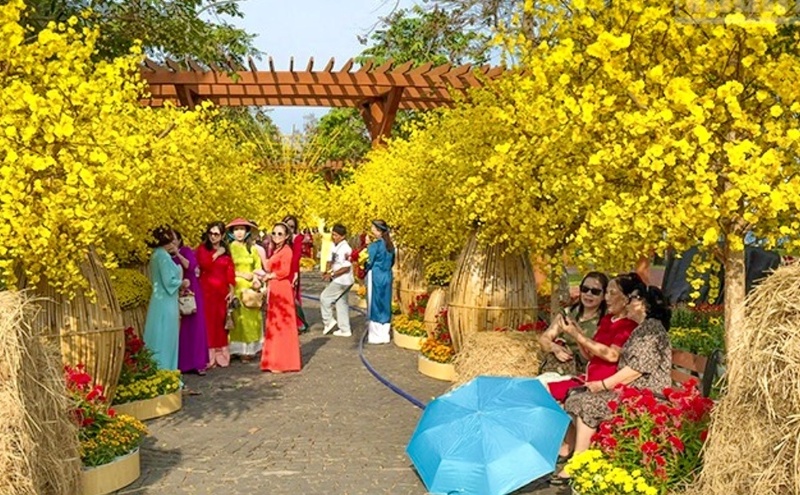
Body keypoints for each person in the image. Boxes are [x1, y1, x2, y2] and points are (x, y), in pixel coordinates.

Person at [551, 283, 672, 485]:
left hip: (648, 394)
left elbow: (636, 369)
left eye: (632, 300)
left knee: (589, 403)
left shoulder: (651, 330)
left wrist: (604, 385)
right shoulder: (642, 329)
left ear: (644, 305)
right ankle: (578, 457)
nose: (628, 303)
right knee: (577, 397)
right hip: (632, 390)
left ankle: (580, 462)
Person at [544, 272, 641, 402]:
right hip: (586, 378)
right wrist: (577, 335)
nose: (607, 298)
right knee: (539, 386)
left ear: (625, 299)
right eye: (585, 289)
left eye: (610, 293)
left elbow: (612, 355)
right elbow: (590, 356)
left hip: (600, 385)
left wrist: (577, 335)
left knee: (544, 391)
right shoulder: (607, 320)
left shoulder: (627, 325)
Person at [538, 272, 609, 376]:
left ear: (604, 296)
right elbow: (544, 338)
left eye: (595, 291)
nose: (588, 294)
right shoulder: (568, 314)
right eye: (585, 289)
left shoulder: (606, 320)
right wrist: (555, 348)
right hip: (561, 364)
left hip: (586, 370)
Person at [144, 226, 189, 371]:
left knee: (159, 334)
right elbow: (168, 281)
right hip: (166, 301)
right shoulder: (162, 255)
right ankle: (165, 370)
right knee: (166, 337)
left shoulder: (156, 254)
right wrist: (182, 283)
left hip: (161, 300)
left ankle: (158, 369)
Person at [261, 222, 301, 373]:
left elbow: (285, 271)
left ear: (287, 236)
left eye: (280, 234)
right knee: (274, 322)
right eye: (274, 233)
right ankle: (273, 360)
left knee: (282, 323)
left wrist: (270, 275)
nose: (277, 236)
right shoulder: (276, 250)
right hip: (275, 287)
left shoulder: (287, 251)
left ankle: (283, 361)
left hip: (282, 288)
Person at [197, 221, 235, 369]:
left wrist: (232, 289)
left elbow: (230, 270)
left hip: (221, 293)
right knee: (208, 323)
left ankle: (222, 355)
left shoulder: (226, 251)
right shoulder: (202, 249)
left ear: (222, 235)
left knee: (220, 323)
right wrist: (216, 254)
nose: (213, 237)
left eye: (216, 234)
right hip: (206, 291)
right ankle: (209, 356)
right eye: (211, 233)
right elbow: (204, 264)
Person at [227, 217, 263, 363]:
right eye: (236, 229)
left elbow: (258, 267)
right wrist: (240, 274)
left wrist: (255, 279)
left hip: (249, 288)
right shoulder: (229, 248)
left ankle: (249, 350)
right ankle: (236, 349)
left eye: (242, 229)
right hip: (234, 286)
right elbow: (226, 268)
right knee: (237, 318)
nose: (239, 233)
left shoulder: (252, 249)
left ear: (247, 231)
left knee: (251, 318)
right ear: (231, 232)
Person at [172, 230, 209, 375]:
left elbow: (191, 266)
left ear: (180, 240)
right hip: (177, 291)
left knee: (196, 326)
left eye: (175, 239)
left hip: (192, 290)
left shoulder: (185, 251)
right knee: (181, 329)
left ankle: (199, 363)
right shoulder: (166, 256)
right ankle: (183, 363)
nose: (173, 243)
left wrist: (178, 254)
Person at [320, 224, 354, 337]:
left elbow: (346, 267)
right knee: (341, 303)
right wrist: (326, 271)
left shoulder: (346, 248)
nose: (334, 237)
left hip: (343, 280)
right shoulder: (334, 246)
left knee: (325, 298)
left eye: (336, 235)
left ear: (343, 236)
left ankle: (328, 321)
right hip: (338, 279)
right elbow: (330, 260)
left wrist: (332, 274)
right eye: (333, 234)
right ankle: (345, 329)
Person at [365, 219, 395, 344]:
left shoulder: (375, 246)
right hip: (387, 275)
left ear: (378, 231)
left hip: (376, 276)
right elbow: (393, 261)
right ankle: (385, 333)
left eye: (373, 228)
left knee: (375, 302)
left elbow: (368, 262)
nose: (371, 230)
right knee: (385, 302)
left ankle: (376, 335)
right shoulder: (390, 246)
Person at [283, 215, 310, 333]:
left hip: (292, 271)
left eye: (292, 226)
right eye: (287, 226)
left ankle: (297, 322)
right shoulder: (280, 237)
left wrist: (294, 274)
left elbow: (296, 257)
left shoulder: (297, 238)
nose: (289, 228)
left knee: (293, 297)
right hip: (281, 269)